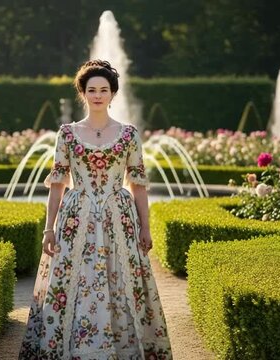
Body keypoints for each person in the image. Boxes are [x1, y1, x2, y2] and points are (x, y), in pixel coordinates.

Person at [19, 60, 172, 359]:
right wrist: (49, 228)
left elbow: (138, 185)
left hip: (120, 218)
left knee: (121, 281)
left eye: (104, 89)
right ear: (83, 93)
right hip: (76, 219)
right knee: (74, 281)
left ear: (113, 94)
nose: (98, 95)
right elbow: (58, 183)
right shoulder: (68, 134)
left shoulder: (128, 134)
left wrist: (145, 226)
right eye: (92, 90)